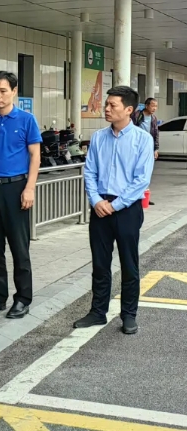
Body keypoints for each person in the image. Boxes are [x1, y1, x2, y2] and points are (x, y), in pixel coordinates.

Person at [74, 86, 154, 335]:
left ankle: (129, 314)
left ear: (129, 110)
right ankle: (98, 311)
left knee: (129, 264)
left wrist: (115, 204)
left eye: (112, 105)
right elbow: (90, 172)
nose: (106, 109)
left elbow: (141, 180)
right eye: (106, 104)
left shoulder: (143, 139)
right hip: (100, 207)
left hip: (127, 209)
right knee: (100, 263)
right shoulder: (99, 137)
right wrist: (96, 200)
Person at [0, 71, 42, 319]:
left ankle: (22, 298)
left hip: (16, 188)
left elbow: (35, 155)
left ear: (14, 91)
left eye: (2, 91)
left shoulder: (27, 120)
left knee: (19, 248)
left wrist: (29, 188)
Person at [131, 97, 159, 205]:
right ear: (146, 106)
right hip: (136, 147)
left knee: (146, 171)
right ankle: (135, 195)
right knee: (135, 170)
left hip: (148, 148)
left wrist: (155, 149)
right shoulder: (136, 115)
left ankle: (144, 195)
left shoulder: (153, 118)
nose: (154, 108)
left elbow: (155, 134)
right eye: (152, 106)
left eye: (156, 106)